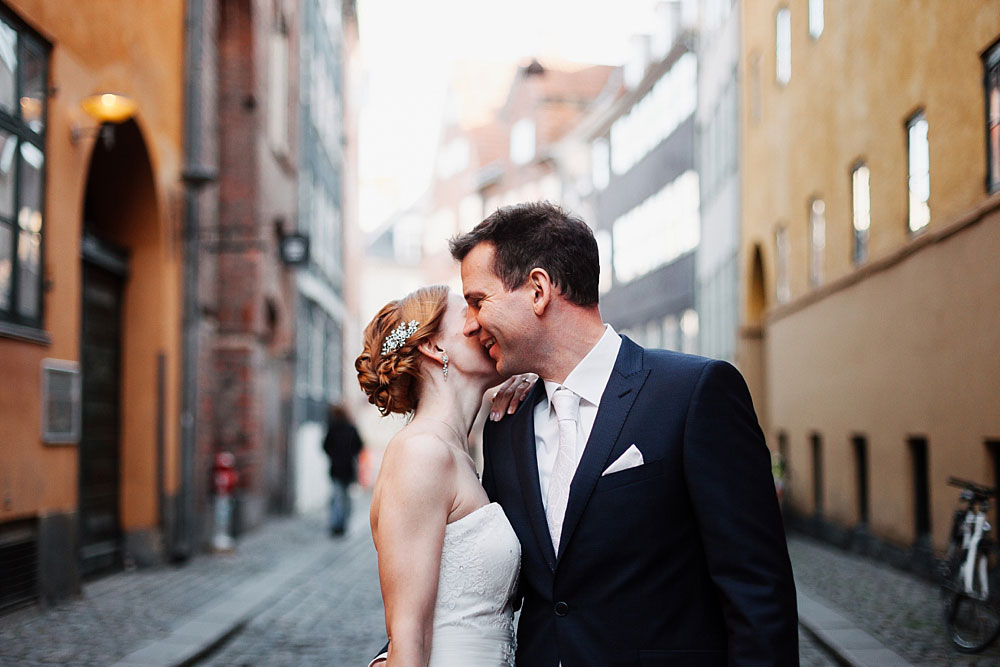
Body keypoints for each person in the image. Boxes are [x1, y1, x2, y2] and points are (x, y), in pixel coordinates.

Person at [447, 202, 799, 666]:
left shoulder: (694, 394)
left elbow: (757, 590)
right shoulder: (506, 424)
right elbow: (481, 572)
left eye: (478, 300)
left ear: (537, 290)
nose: (469, 323)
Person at [356, 285, 521, 666]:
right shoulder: (421, 453)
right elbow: (408, 636)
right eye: (470, 309)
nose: (484, 320)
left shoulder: (457, 454)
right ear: (434, 346)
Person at [322, 404, 363, 536]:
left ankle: (337, 524)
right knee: (345, 498)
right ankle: (343, 523)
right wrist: (351, 455)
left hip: (336, 469)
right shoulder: (351, 429)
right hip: (348, 469)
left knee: (337, 497)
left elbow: (325, 446)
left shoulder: (333, 429)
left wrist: (334, 456)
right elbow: (359, 445)